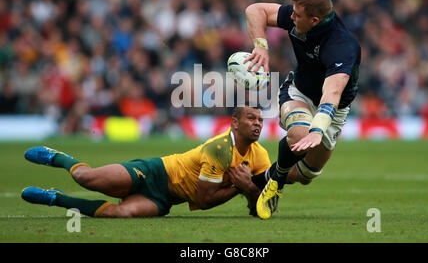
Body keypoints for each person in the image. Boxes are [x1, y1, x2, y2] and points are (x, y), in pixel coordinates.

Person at [21, 105, 273, 218]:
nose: (258, 124)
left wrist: (250, 189)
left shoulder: (260, 155)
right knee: (86, 178)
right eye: (251, 118)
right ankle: (58, 157)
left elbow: (261, 206)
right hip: (155, 172)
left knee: (122, 213)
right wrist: (241, 188)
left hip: (165, 199)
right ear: (235, 123)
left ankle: (55, 198)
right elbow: (204, 201)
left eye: (261, 120)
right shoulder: (220, 148)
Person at [244, 0, 361, 219]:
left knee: (305, 175)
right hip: (298, 93)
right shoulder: (300, 16)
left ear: (314, 20)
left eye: (296, 15)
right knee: (300, 134)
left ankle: (255, 181)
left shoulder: (341, 46)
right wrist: (261, 46)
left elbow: (333, 94)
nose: (291, 18)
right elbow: (255, 10)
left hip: (333, 109)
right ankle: (275, 183)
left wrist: (319, 129)